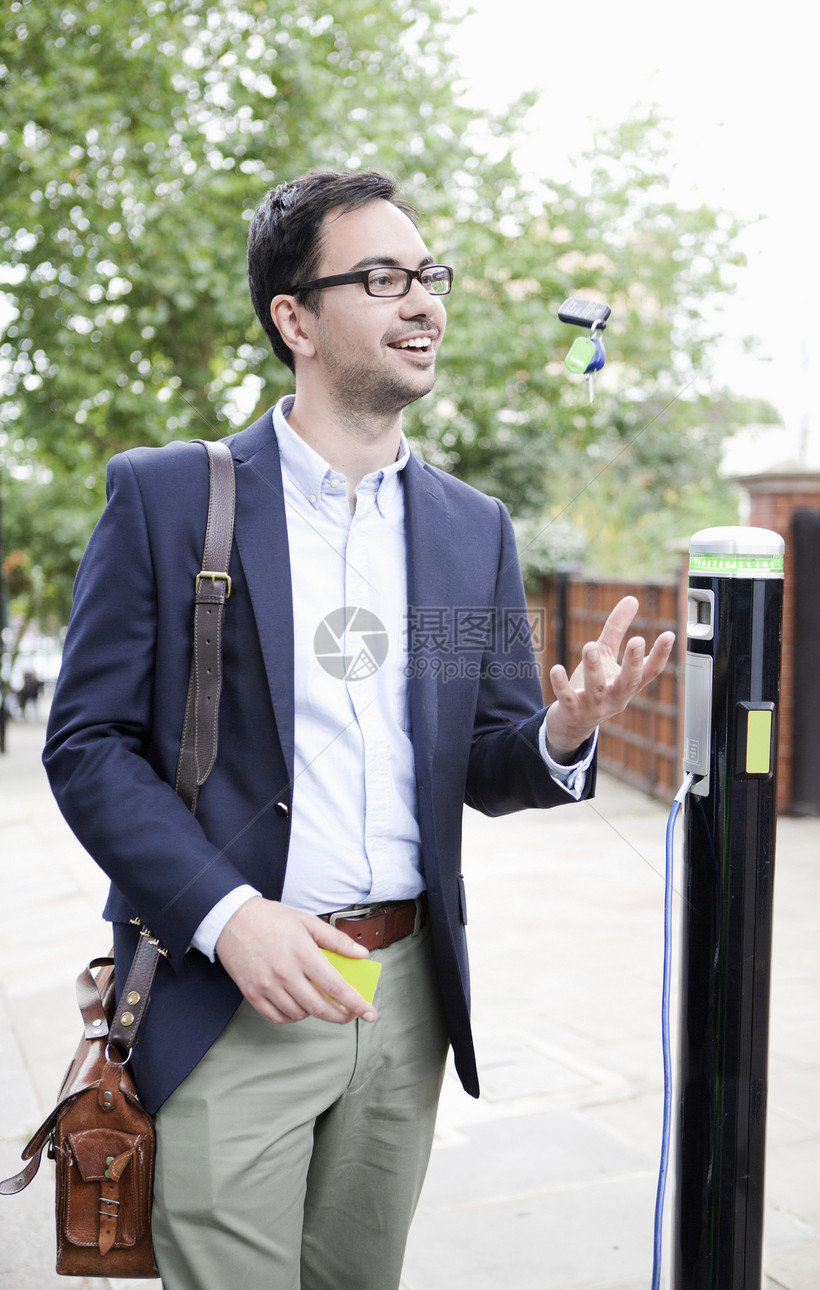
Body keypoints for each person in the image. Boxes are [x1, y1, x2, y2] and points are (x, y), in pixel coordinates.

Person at [44, 170, 674, 1290]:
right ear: (294, 318)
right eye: (380, 278)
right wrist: (229, 918)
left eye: (427, 275)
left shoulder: (464, 526)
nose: (421, 302)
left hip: (407, 1001)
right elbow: (87, 745)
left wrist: (562, 733)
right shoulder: (170, 499)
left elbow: (480, 759)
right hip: (233, 993)